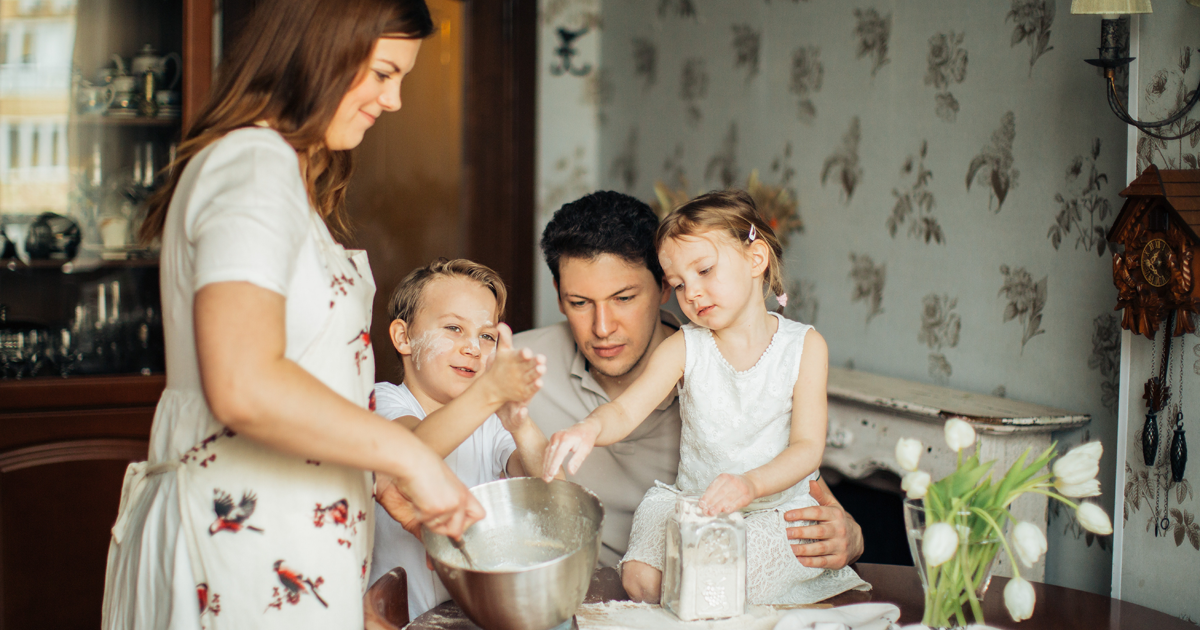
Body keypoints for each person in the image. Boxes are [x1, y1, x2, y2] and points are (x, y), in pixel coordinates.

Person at [101, 2, 542, 627]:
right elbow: (244, 386)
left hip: (287, 532)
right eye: (383, 73)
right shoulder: (252, 166)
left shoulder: (284, 175)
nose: (392, 101)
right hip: (241, 536)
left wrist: (373, 477)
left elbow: (306, 377)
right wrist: (408, 456)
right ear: (321, 51)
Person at [542, 190, 867, 605]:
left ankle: (710, 598)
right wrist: (588, 429)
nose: (691, 293)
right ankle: (697, 600)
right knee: (640, 577)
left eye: (705, 271)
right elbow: (625, 410)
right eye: (679, 284)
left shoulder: (804, 346)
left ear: (756, 259)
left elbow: (807, 448)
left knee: (728, 584)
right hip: (694, 502)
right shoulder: (685, 346)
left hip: (767, 509)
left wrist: (750, 485)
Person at [368, 258, 557, 618]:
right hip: (401, 620)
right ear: (404, 337)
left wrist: (520, 425)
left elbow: (551, 488)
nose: (473, 347)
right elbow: (410, 453)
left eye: (487, 336)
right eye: (454, 328)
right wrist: (489, 391)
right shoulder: (383, 401)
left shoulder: (489, 421)